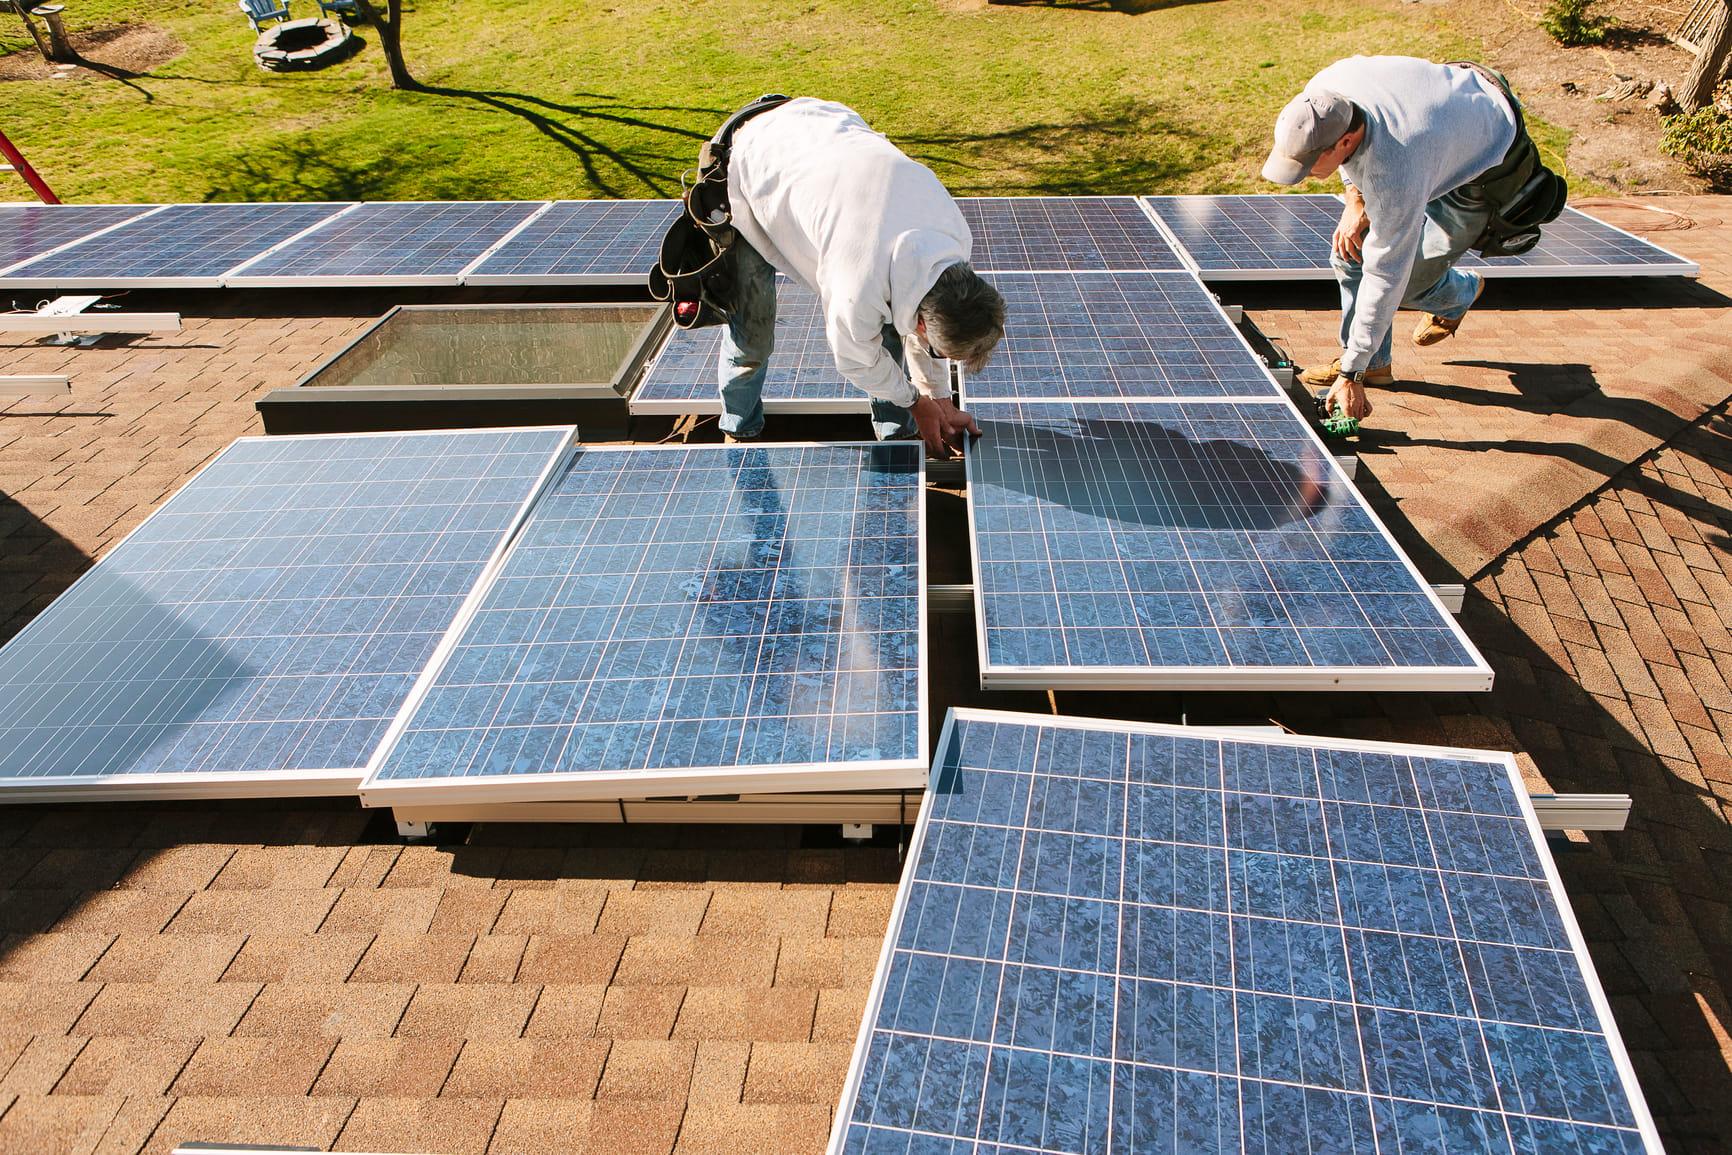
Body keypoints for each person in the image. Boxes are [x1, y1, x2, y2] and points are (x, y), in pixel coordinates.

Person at [719, 97, 1005, 457]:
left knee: (887, 332)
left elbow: (925, 326)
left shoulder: (953, 242)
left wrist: (939, 400)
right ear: (921, 324)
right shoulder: (859, 278)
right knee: (753, 333)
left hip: (828, 147)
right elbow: (854, 356)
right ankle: (739, 429)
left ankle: (898, 440)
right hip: (755, 162)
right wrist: (916, 401)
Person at [1262, 56, 1529, 423]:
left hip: (1486, 154)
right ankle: (1376, 363)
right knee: (1349, 251)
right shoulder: (1323, 95)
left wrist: (1349, 376)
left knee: (1406, 285)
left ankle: (1461, 293)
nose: (1305, 174)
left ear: (1345, 140)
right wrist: (1355, 199)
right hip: (1441, 122)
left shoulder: (1397, 170)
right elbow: (1354, 161)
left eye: (1310, 164)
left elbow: (1386, 272)